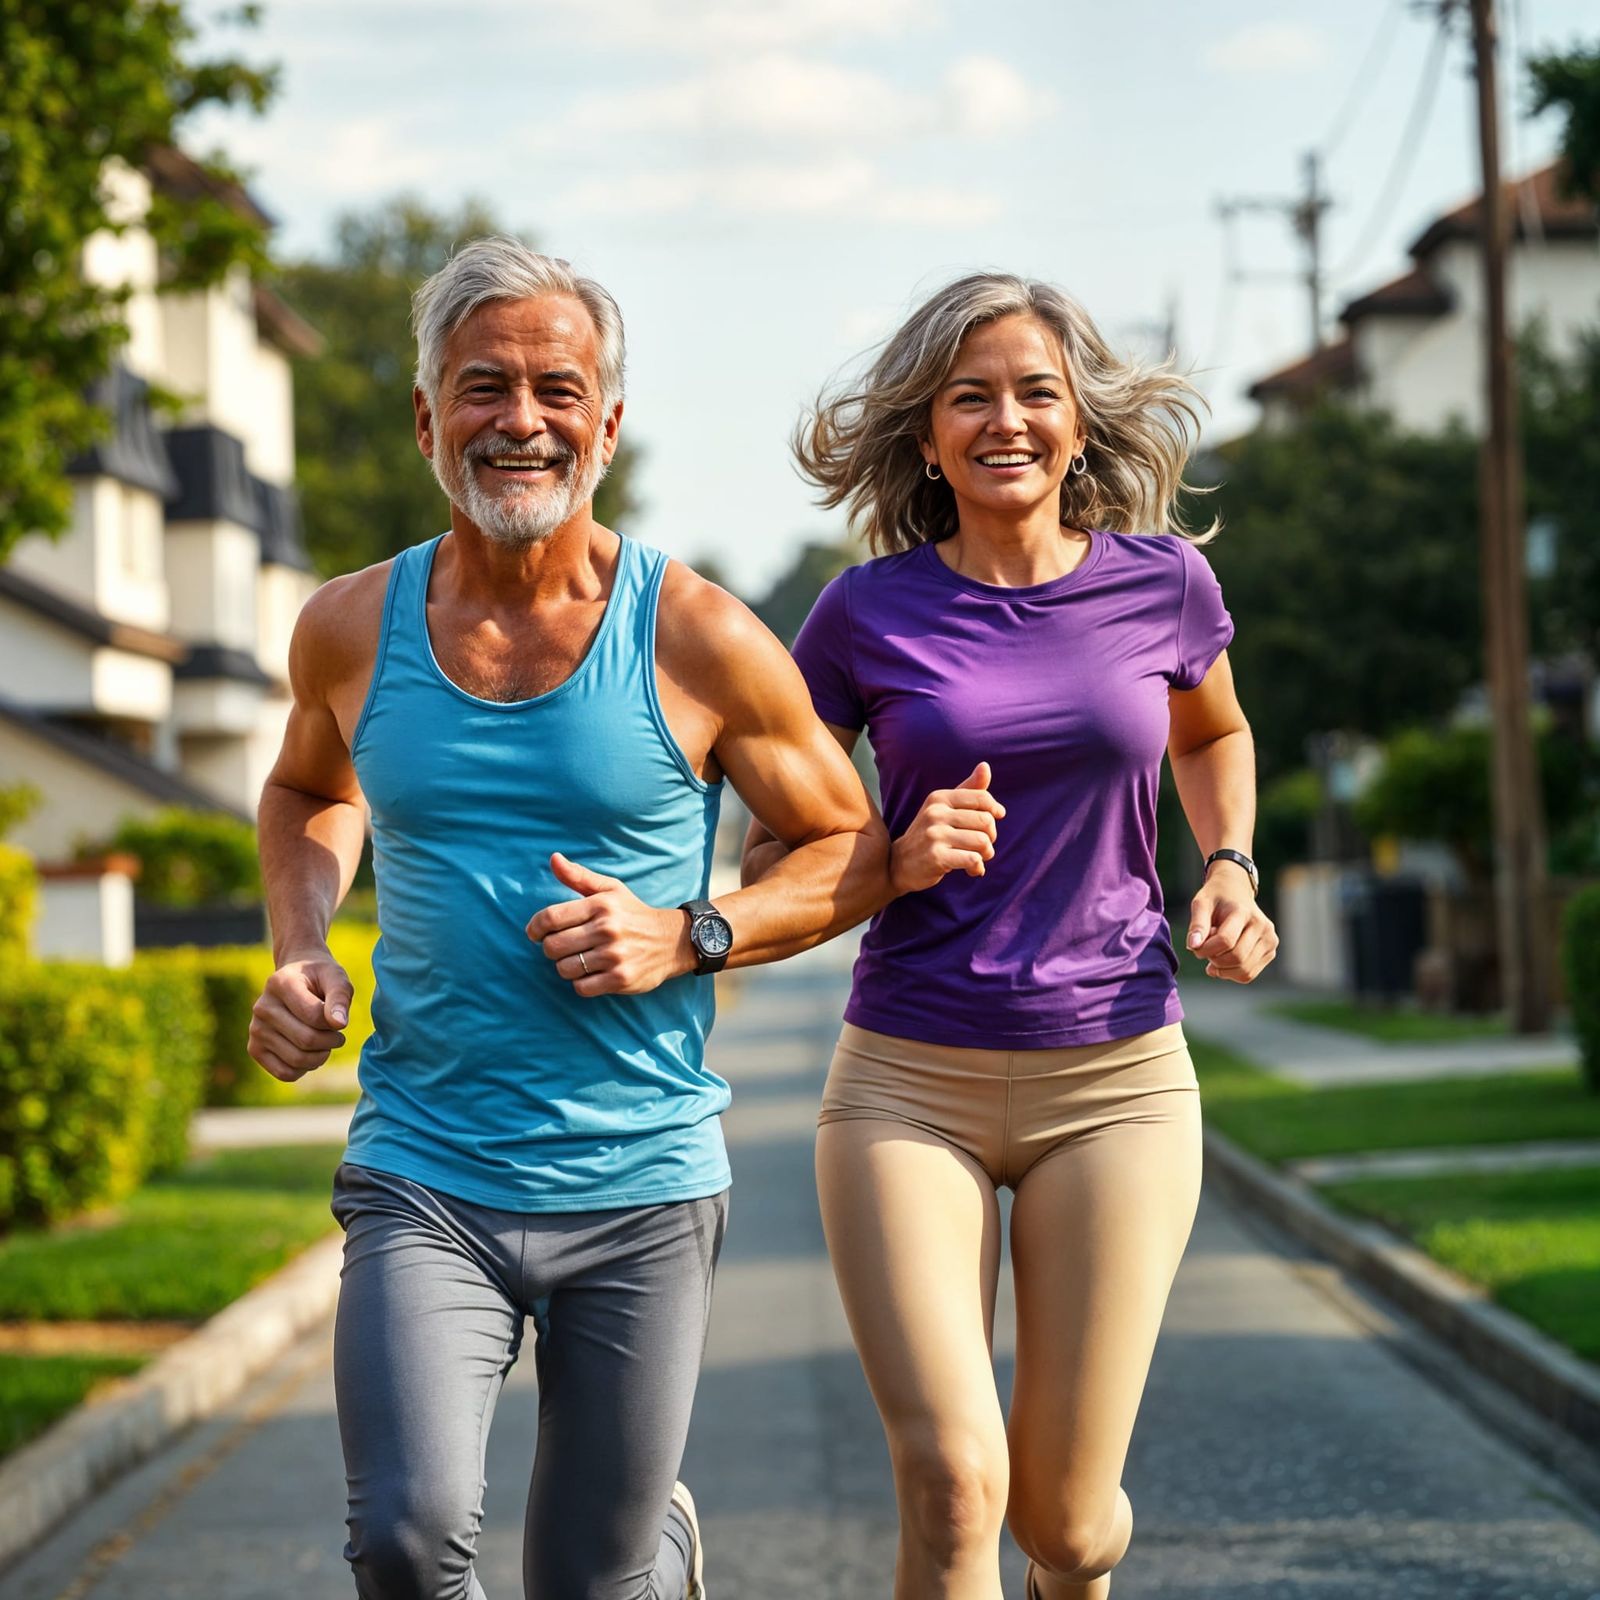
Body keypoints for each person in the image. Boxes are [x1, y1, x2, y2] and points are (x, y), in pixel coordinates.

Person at [248, 236, 888, 1600]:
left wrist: (692, 932)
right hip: (428, 1169)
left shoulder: (698, 635)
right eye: (483, 387)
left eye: (556, 388)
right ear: (428, 419)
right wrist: (300, 943)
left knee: (591, 1580)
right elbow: (310, 785)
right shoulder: (349, 628)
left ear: (607, 421)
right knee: (409, 1540)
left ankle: (654, 1548)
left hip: (642, 1181)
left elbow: (854, 847)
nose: (520, 420)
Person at [744, 273, 1278, 1600]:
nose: (1005, 420)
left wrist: (1230, 865)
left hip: (1116, 1081)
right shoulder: (860, 617)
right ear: (925, 435)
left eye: (1035, 391)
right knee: (950, 1488)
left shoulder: (1164, 584)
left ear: (1079, 422)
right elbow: (778, 853)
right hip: (905, 1083)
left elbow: (1213, 735)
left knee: (1068, 1525)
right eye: (967, 396)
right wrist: (893, 856)